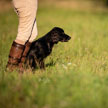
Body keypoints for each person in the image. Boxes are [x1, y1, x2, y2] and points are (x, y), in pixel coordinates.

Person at [7, 0, 38, 71]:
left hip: (27, 3)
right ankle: (11, 67)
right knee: (24, 34)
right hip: (26, 2)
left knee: (33, 34)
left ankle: (20, 66)